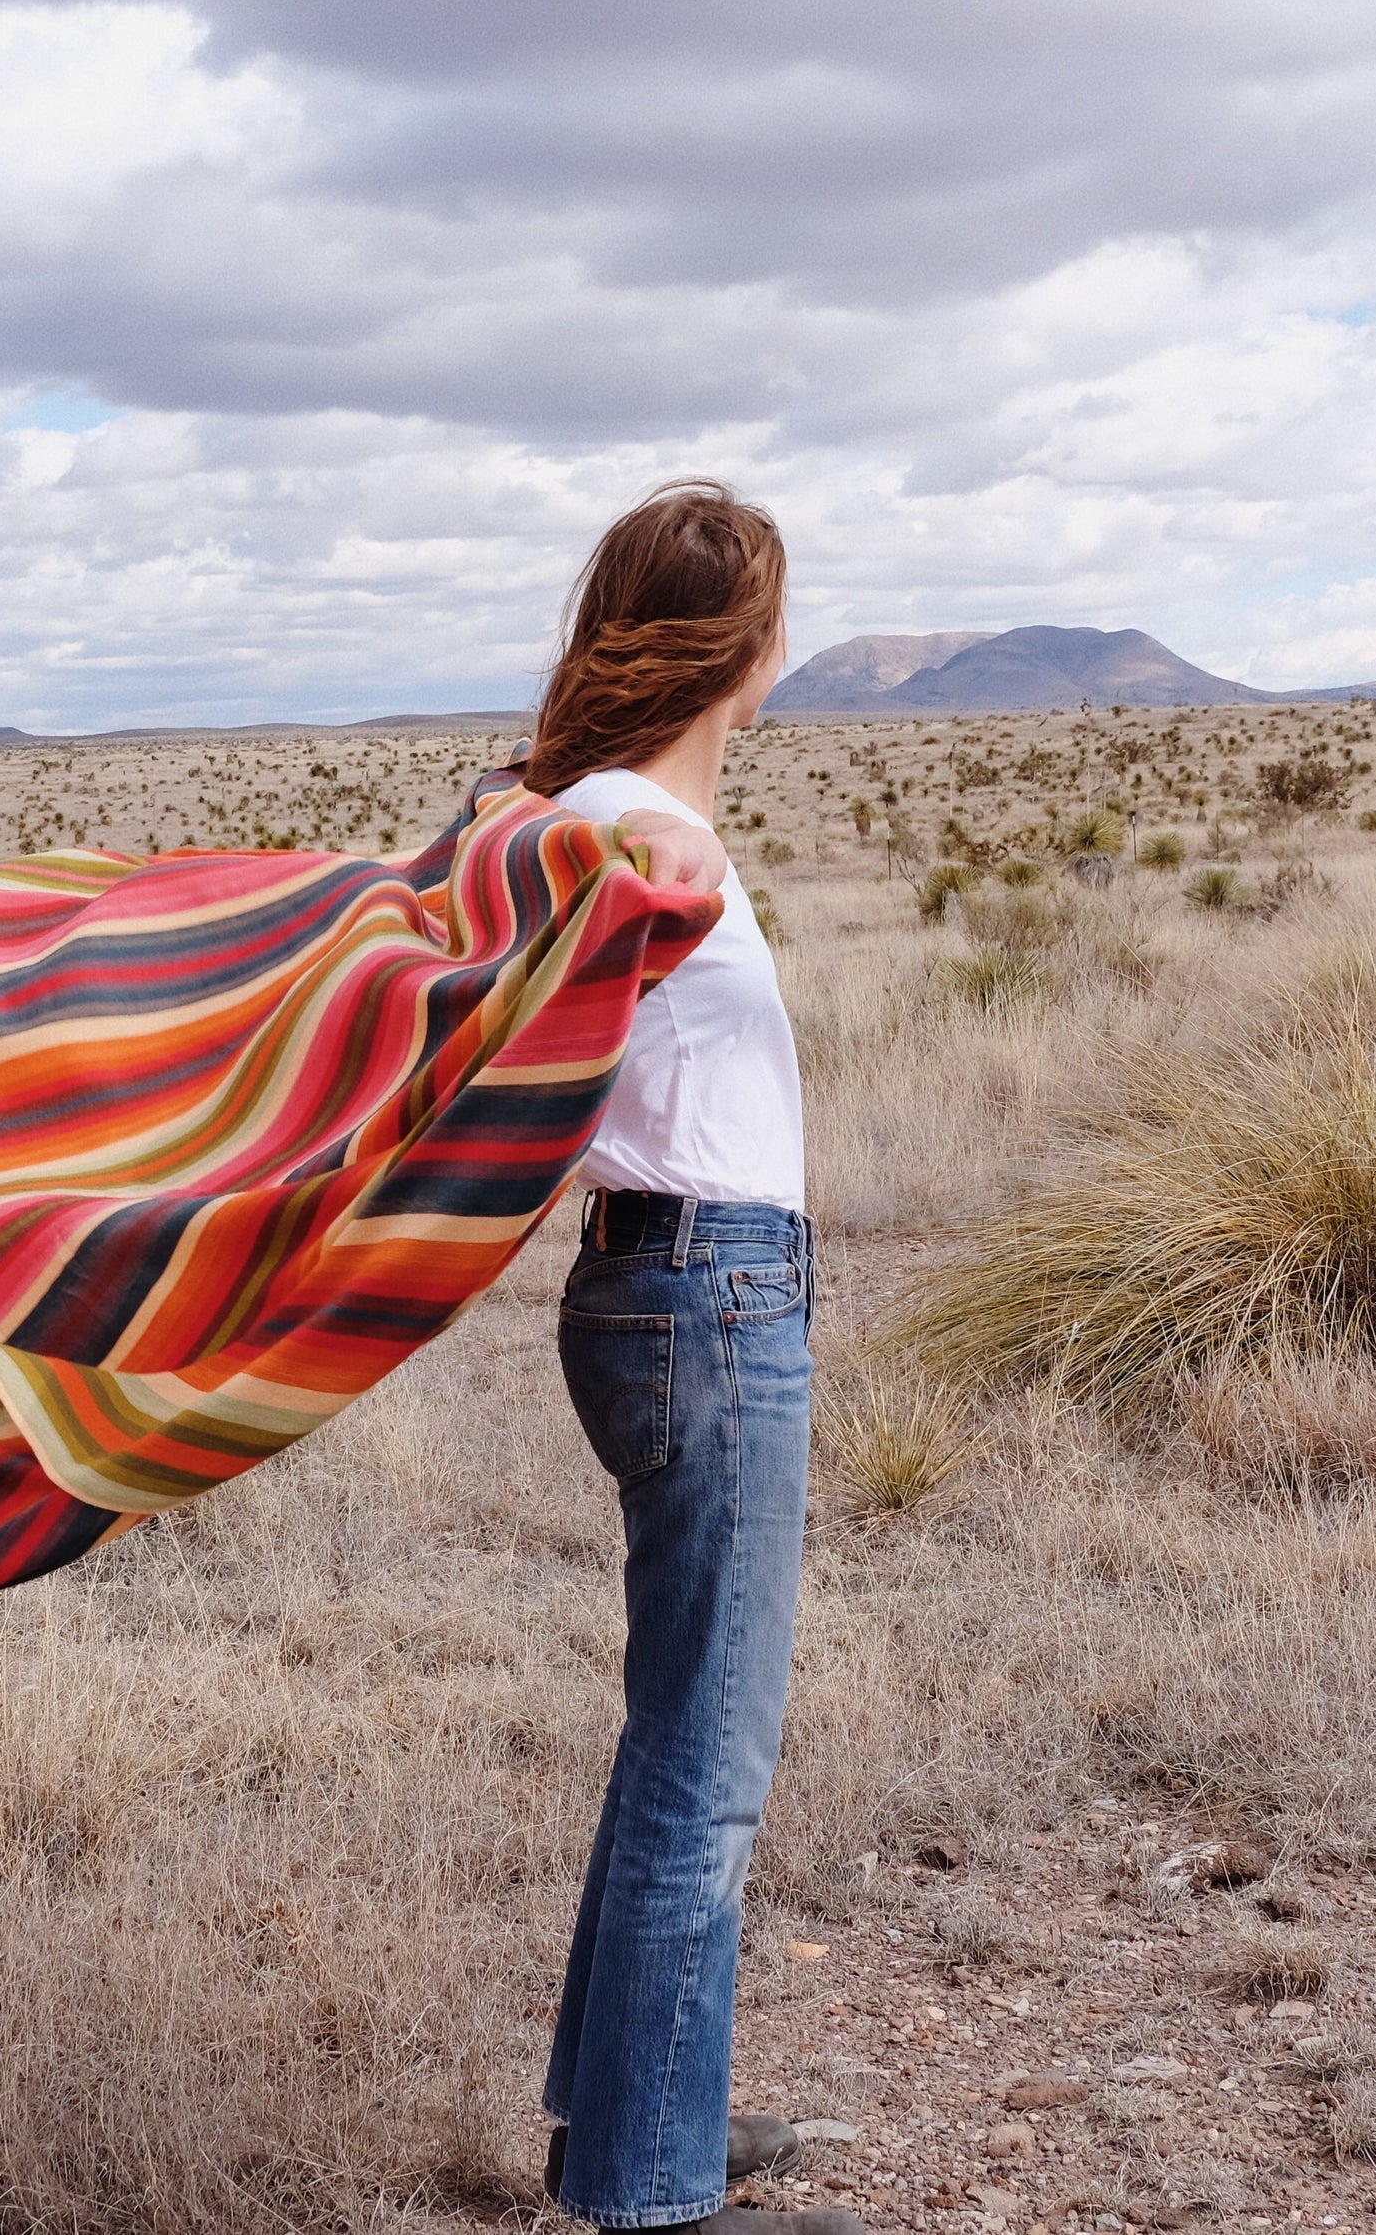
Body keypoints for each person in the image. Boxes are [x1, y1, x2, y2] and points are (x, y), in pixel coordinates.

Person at [522, 481, 860, 2235]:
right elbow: (610, 880)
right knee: (707, 1770)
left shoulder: (591, 808)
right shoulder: (636, 828)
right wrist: (674, 848)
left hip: (667, 1290)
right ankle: (649, 2194)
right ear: (749, 645)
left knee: (673, 1737)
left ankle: (621, 2122)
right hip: (710, 1296)